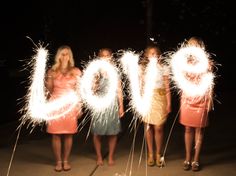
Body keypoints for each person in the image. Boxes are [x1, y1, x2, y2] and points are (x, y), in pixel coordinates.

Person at [45, 45, 82, 172]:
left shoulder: (76, 71)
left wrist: (79, 106)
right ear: (58, 56)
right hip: (56, 105)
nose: (64, 56)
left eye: (67, 54)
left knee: (68, 134)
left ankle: (66, 160)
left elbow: (79, 91)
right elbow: (49, 90)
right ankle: (58, 161)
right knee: (55, 135)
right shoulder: (52, 72)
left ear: (70, 56)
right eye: (62, 54)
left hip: (71, 105)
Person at [179, 37, 213, 171]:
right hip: (187, 98)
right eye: (189, 45)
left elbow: (210, 81)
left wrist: (209, 99)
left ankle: (196, 159)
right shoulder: (184, 63)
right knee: (187, 129)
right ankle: (187, 157)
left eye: (195, 45)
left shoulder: (207, 63)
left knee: (199, 129)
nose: (192, 47)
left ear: (200, 46)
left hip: (201, 98)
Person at [91, 48, 124, 166]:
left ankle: (110, 156)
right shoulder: (96, 71)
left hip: (112, 104)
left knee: (113, 132)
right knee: (97, 132)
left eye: (107, 55)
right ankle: (99, 156)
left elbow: (119, 90)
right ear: (99, 58)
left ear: (111, 57)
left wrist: (121, 106)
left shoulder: (115, 72)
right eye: (103, 56)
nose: (105, 58)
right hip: (99, 104)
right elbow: (92, 91)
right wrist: (95, 81)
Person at [140, 45, 171, 167]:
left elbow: (167, 86)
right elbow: (140, 87)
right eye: (151, 53)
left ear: (159, 56)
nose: (153, 55)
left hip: (160, 97)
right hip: (147, 98)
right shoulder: (142, 69)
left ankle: (159, 153)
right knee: (148, 127)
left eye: (155, 53)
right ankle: (150, 154)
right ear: (147, 56)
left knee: (158, 127)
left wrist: (169, 103)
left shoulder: (164, 68)